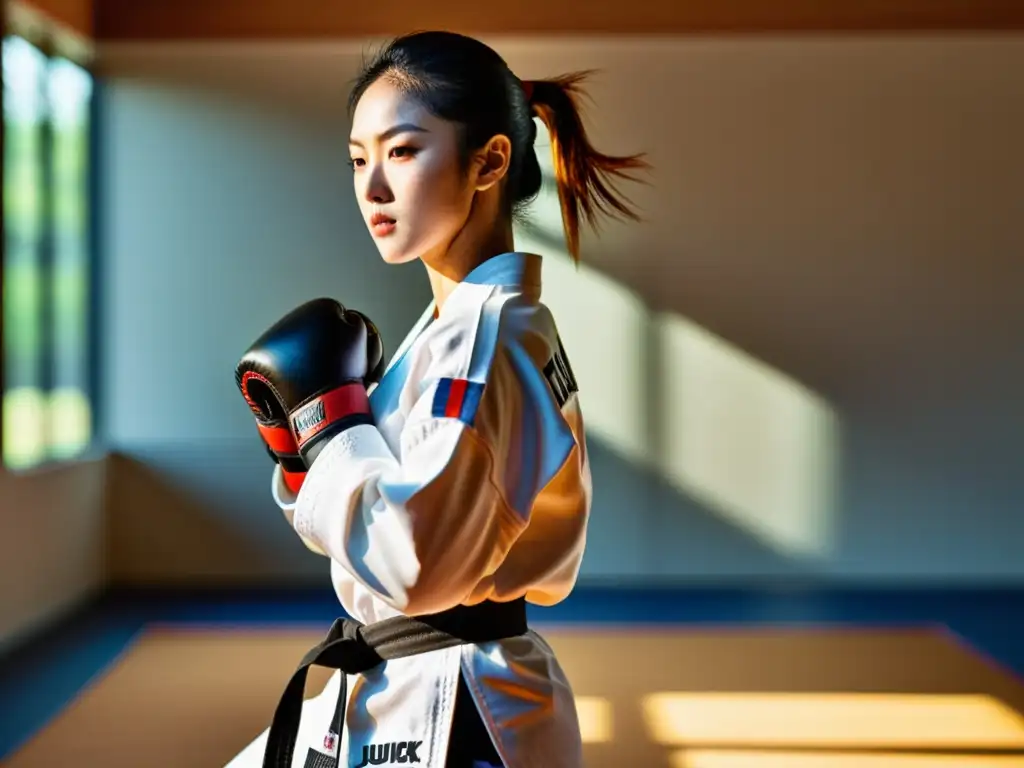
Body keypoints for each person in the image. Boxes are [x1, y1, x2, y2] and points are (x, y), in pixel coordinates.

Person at [229, 30, 648, 768]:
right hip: (409, 684)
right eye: (358, 159)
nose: (372, 186)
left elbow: (416, 565)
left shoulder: (486, 340)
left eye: (402, 151)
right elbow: (371, 532)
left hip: (454, 706)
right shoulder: (453, 331)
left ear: (488, 160)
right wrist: (302, 462)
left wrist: (331, 437)